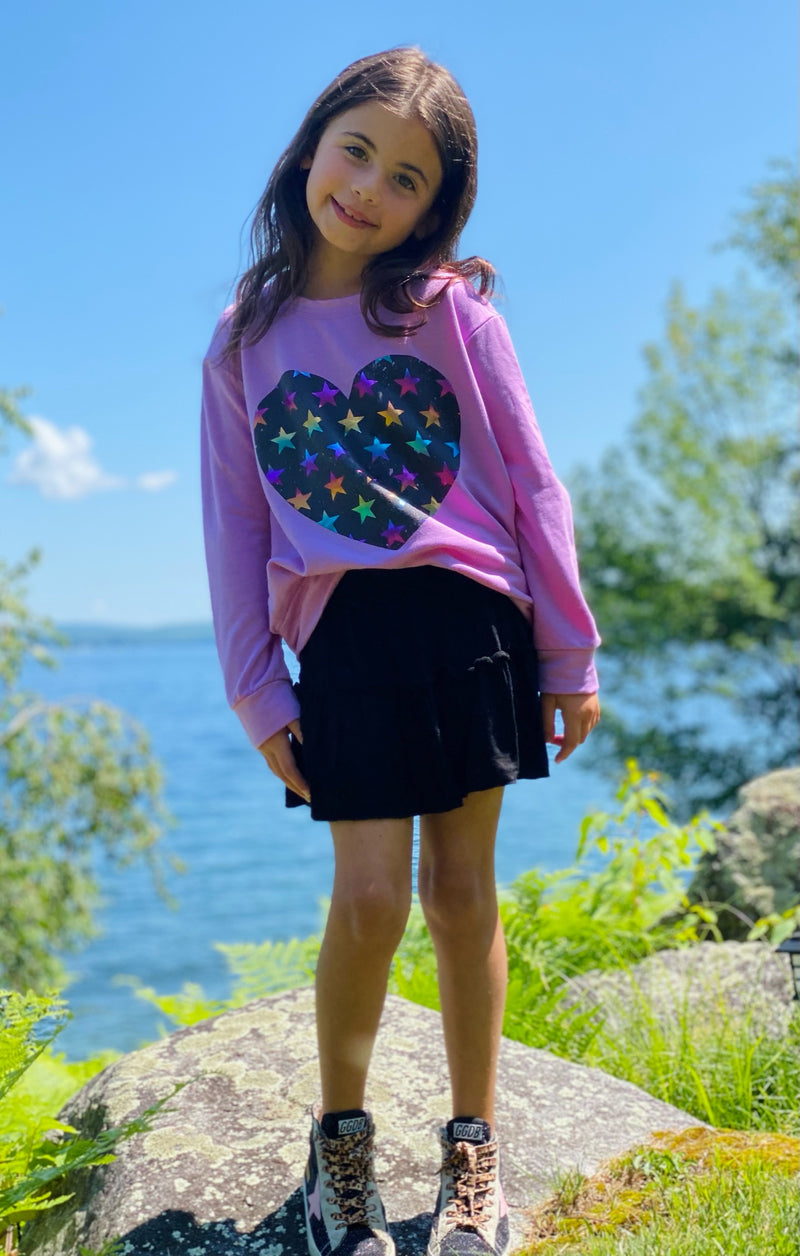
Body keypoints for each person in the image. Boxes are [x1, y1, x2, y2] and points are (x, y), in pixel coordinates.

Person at [200, 45, 600, 1256]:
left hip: (471, 620)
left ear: (435, 207)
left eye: (407, 176)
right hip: (347, 638)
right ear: (312, 148)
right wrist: (256, 691)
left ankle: (473, 1152)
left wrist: (566, 649)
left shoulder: (449, 312)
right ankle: (341, 1153)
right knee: (368, 900)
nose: (369, 187)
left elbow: (532, 483)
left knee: (458, 891)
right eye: (357, 149)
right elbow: (232, 526)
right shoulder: (243, 339)